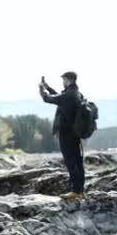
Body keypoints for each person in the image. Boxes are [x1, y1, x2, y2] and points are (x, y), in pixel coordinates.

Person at [39, 71, 85, 199]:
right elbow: (59, 97)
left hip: (66, 133)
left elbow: (48, 99)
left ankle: (76, 191)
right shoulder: (77, 93)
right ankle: (80, 191)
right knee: (78, 161)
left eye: (63, 80)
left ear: (68, 80)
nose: (62, 82)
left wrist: (42, 90)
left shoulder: (69, 95)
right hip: (74, 133)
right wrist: (48, 87)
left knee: (71, 161)